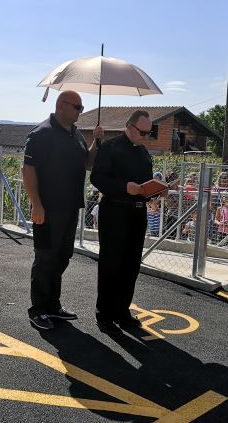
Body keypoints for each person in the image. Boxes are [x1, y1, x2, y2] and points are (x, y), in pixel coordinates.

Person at [22, 90, 103, 330]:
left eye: (81, 107)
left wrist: (96, 142)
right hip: (47, 209)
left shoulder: (75, 134)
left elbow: (88, 163)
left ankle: (52, 305)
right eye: (78, 107)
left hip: (70, 208)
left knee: (62, 257)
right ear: (61, 106)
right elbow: (28, 170)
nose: (81, 111)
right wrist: (36, 204)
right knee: (45, 258)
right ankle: (38, 310)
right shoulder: (41, 133)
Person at [90, 110, 165, 335]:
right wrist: (124, 187)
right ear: (129, 127)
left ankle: (122, 310)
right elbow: (97, 178)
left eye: (149, 133)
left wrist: (157, 190)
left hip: (137, 214)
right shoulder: (110, 147)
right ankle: (104, 314)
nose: (146, 137)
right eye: (143, 132)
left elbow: (144, 184)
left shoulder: (143, 152)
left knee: (131, 265)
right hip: (115, 212)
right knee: (111, 264)